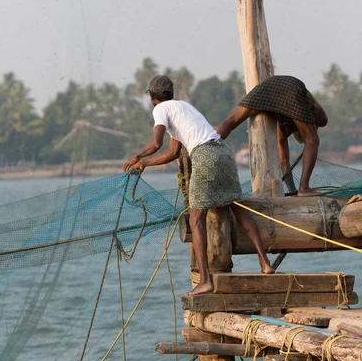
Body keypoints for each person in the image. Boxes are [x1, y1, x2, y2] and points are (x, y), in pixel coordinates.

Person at [123, 75, 274, 296]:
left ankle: (205, 281)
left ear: (153, 97)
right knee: (237, 207)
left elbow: (156, 143)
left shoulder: (160, 109)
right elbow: (173, 152)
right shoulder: (183, 107)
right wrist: (144, 163)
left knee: (196, 220)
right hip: (223, 152)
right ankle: (265, 263)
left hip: (204, 156)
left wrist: (137, 155)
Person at [215, 75, 328, 195]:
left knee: (231, 120)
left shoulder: (284, 128)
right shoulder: (314, 115)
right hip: (292, 87)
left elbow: (284, 162)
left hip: (268, 85)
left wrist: (292, 190)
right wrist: (313, 132)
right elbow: (318, 125)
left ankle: (208, 145)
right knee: (312, 141)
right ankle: (304, 188)